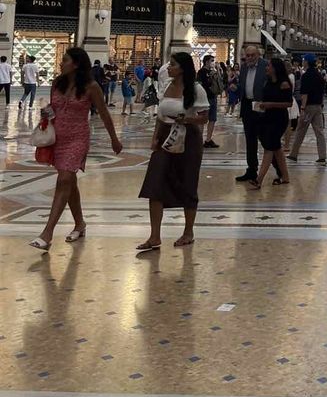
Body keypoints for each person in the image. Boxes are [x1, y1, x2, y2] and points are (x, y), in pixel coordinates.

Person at [29, 48, 122, 251]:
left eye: (65, 60)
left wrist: (114, 138)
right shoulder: (57, 83)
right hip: (57, 138)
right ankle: (80, 224)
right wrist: (46, 113)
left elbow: (104, 113)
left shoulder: (91, 87)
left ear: (77, 64)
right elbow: (53, 108)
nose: (61, 63)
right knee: (68, 181)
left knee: (64, 179)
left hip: (78, 138)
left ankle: (47, 233)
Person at [137, 52, 209, 251]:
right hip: (166, 138)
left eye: (173, 65)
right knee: (155, 182)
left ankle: (188, 232)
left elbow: (204, 117)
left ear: (183, 68)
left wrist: (186, 119)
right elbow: (161, 115)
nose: (168, 68)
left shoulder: (196, 89)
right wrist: (155, 137)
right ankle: (154, 236)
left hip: (188, 138)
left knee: (187, 182)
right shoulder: (167, 85)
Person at [250, 57, 292, 189]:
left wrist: (270, 104)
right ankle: (285, 176)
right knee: (276, 148)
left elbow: (289, 103)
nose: (266, 68)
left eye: (268, 66)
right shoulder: (268, 82)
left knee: (269, 148)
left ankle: (259, 179)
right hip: (267, 117)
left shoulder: (284, 83)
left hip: (279, 119)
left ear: (275, 68)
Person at [236, 45, 268, 183]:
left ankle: (279, 169)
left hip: (261, 106)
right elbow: (242, 86)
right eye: (246, 55)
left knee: (266, 140)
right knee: (250, 139)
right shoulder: (244, 67)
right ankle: (251, 170)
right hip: (248, 106)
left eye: (251, 55)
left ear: (258, 55)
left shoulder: (266, 66)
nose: (248, 58)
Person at [288, 53, 327, 165]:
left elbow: (304, 94)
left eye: (304, 60)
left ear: (306, 62)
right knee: (319, 132)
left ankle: (293, 154)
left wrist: (303, 108)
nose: (302, 62)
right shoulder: (319, 75)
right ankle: (322, 156)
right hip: (318, 106)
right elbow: (321, 93)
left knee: (301, 130)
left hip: (309, 107)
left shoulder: (306, 76)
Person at [196, 54, 221, 149]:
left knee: (212, 118)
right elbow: (201, 84)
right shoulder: (201, 72)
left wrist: (217, 71)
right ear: (207, 62)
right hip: (204, 98)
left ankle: (208, 139)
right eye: (212, 61)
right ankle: (199, 139)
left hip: (213, 97)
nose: (213, 63)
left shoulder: (213, 72)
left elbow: (219, 82)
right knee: (202, 119)